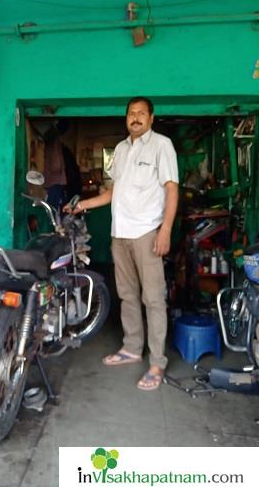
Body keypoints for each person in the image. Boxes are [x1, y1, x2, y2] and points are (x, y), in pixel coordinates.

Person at [65, 97, 179, 391]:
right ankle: (131, 348)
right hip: (120, 233)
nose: (136, 117)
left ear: (152, 118)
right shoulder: (120, 149)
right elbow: (111, 192)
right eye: (131, 113)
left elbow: (171, 188)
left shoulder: (161, 145)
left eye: (142, 113)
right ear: (126, 118)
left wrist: (165, 229)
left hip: (147, 233)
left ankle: (156, 362)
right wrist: (83, 205)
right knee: (127, 295)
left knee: (153, 299)